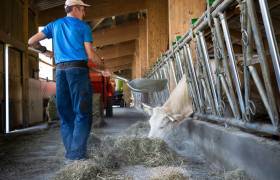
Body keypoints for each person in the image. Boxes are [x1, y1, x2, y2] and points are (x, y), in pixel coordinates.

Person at [28, 0, 95, 161]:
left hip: (60, 71)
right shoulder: (83, 27)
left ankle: (72, 154)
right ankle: (77, 155)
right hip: (77, 71)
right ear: (76, 9)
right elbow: (91, 55)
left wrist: (45, 52)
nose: (84, 13)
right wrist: (104, 68)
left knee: (65, 114)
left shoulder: (54, 25)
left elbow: (31, 41)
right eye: (83, 10)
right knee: (83, 113)